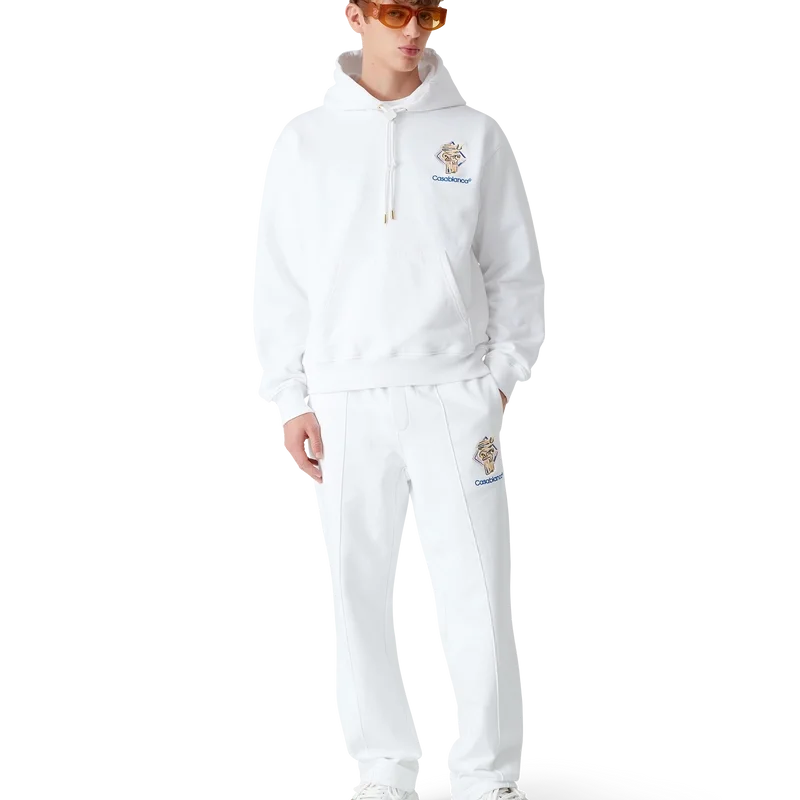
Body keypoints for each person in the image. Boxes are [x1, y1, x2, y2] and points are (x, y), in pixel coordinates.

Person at [251, 2, 545, 799]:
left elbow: (515, 268)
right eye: (394, 12)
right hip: (345, 396)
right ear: (353, 14)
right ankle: (381, 767)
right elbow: (277, 279)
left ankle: (486, 775)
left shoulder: (476, 132)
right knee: (358, 587)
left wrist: (502, 379)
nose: (413, 31)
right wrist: (287, 398)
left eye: (431, 14)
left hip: (457, 392)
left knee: (478, 586)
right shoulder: (304, 138)